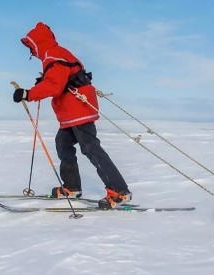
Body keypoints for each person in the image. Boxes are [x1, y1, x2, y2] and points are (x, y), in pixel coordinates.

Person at [13, 22, 131, 209]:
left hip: (78, 110)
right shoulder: (53, 55)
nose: (30, 51)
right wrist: (40, 84)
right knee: (63, 144)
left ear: (37, 43)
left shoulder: (53, 55)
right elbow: (57, 80)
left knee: (91, 149)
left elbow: (54, 85)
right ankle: (72, 187)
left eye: (30, 46)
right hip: (71, 112)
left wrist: (29, 93)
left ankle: (119, 191)